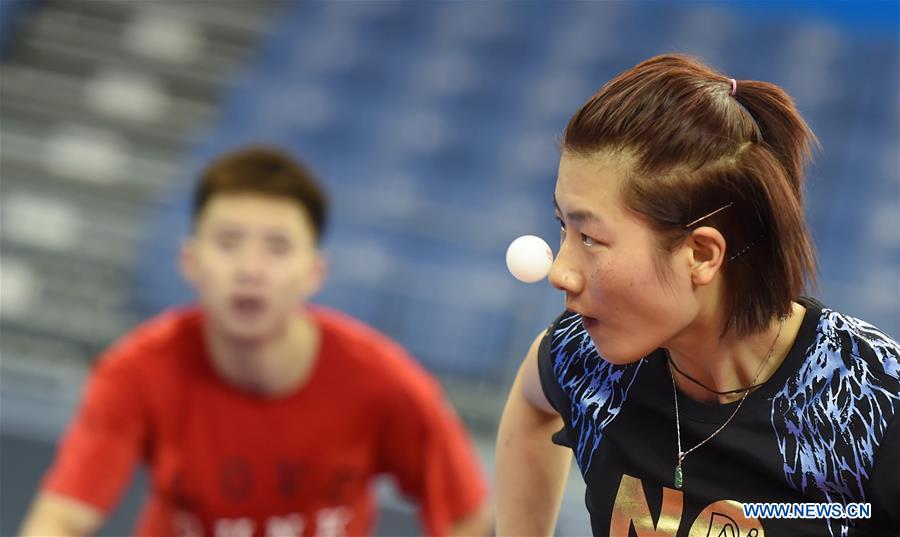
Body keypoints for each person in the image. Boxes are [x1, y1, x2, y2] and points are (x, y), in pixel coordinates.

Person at [496, 54, 899, 537]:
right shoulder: (586, 361)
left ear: (701, 255)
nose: (560, 273)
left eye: (591, 238)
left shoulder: (872, 401)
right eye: (563, 226)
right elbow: (532, 400)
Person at [20, 147, 491, 537]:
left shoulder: (386, 382)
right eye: (228, 242)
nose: (250, 270)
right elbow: (60, 519)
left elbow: (465, 515)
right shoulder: (134, 371)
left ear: (314, 272)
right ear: (190, 261)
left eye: (278, 246)